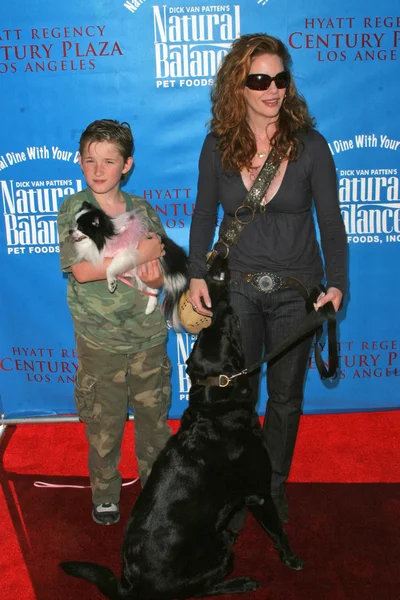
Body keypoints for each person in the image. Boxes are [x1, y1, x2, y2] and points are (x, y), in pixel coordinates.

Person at [188, 34, 347, 523]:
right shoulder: (217, 145)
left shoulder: (311, 147)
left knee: (285, 398)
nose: (272, 89)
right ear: (239, 85)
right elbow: (201, 215)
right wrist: (196, 274)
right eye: (260, 80)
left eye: (280, 79)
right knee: (237, 398)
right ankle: (238, 488)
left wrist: (337, 284)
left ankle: (272, 489)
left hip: (296, 293)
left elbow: (331, 223)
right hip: (237, 289)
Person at [57, 119, 172, 526]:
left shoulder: (143, 210)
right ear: (81, 162)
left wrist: (150, 270)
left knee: (154, 424)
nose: (99, 169)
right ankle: (105, 494)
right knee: (103, 426)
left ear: (127, 165)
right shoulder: (75, 208)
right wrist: (136, 257)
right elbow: (84, 270)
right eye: (91, 160)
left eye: (109, 161)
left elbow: (157, 274)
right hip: (99, 341)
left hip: (147, 338)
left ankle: (157, 490)